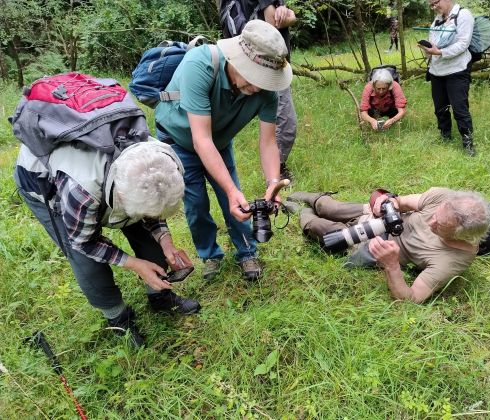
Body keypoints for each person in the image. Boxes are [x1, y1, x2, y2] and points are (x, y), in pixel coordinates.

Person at [14, 140, 201, 347]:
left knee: (147, 236)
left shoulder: (159, 160)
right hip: (44, 183)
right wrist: (134, 264)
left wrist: (166, 243)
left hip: (111, 182)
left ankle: (159, 297)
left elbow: (154, 203)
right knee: (85, 260)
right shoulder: (81, 191)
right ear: (121, 196)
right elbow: (84, 243)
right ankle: (118, 318)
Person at [155, 20, 292, 282]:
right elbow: (200, 140)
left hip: (217, 140)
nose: (259, 87)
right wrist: (231, 191)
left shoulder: (265, 93)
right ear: (238, 61)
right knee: (196, 204)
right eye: (255, 78)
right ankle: (210, 255)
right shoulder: (200, 65)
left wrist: (273, 183)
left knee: (236, 199)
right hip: (180, 140)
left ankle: (246, 251)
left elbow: (268, 142)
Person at [285, 188, 490, 303]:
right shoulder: (443, 198)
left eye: (439, 225)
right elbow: (402, 201)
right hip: (373, 217)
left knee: (318, 227)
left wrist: (392, 265)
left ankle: (299, 210)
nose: (431, 222)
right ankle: (307, 197)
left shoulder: (453, 259)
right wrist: (389, 203)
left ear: (460, 236)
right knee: (327, 206)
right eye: (435, 215)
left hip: (373, 245)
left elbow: (410, 298)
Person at [225, 0, 298, 181]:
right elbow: (274, 22)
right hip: (263, 66)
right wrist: (288, 14)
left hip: (254, 64)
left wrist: (284, 11)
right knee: (287, 124)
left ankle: (275, 171)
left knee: (279, 124)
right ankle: (276, 172)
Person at [418, 0, 476, 156]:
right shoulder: (437, 19)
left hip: (457, 70)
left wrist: (440, 52)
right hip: (437, 71)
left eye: (435, 2)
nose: (434, 7)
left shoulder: (463, 15)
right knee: (440, 108)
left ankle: (468, 142)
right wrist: (428, 49)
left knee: (459, 108)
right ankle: (445, 135)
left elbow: (463, 43)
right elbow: (434, 43)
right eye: (430, 5)